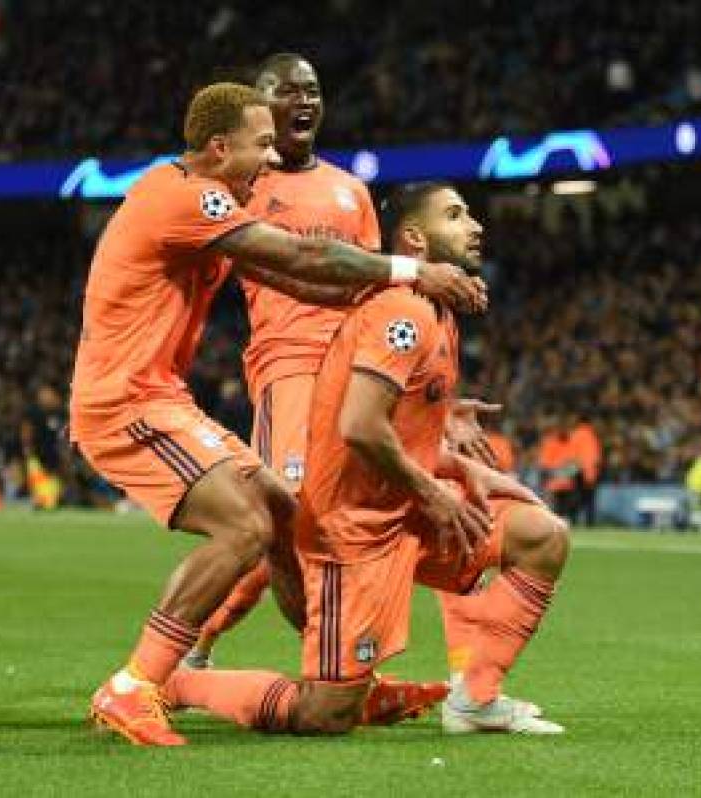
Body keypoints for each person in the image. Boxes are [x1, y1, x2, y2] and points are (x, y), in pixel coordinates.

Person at [71, 82, 486, 746]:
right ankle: (134, 685)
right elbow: (302, 254)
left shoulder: (204, 205)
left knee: (286, 521)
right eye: (260, 145)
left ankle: (343, 680)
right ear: (218, 147)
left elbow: (292, 279)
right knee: (240, 528)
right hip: (124, 403)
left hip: (162, 397)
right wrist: (410, 271)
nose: (269, 160)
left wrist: (410, 369)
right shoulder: (186, 195)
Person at [188, 57, 535, 718]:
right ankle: (205, 651)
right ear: (257, 106)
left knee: (420, 501)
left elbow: (384, 292)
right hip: (289, 369)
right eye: (285, 90)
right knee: (286, 522)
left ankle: (364, 677)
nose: (301, 100)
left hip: (361, 368)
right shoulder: (240, 189)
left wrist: (430, 401)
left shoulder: (350, 191)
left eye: (312, 90)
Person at [161, 182, 569, 736]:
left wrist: (460, 466)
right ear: (414, 240)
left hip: (410, 512)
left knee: (541, 536)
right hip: (352, 530)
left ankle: (474, 700)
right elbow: (360, 427)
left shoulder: (440, 311)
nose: (474, 225)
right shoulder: (401, 310)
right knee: (327, 715)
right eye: (455, 215)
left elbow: (404, 428)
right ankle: (179, 683)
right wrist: (434, 490)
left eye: (471, 214)